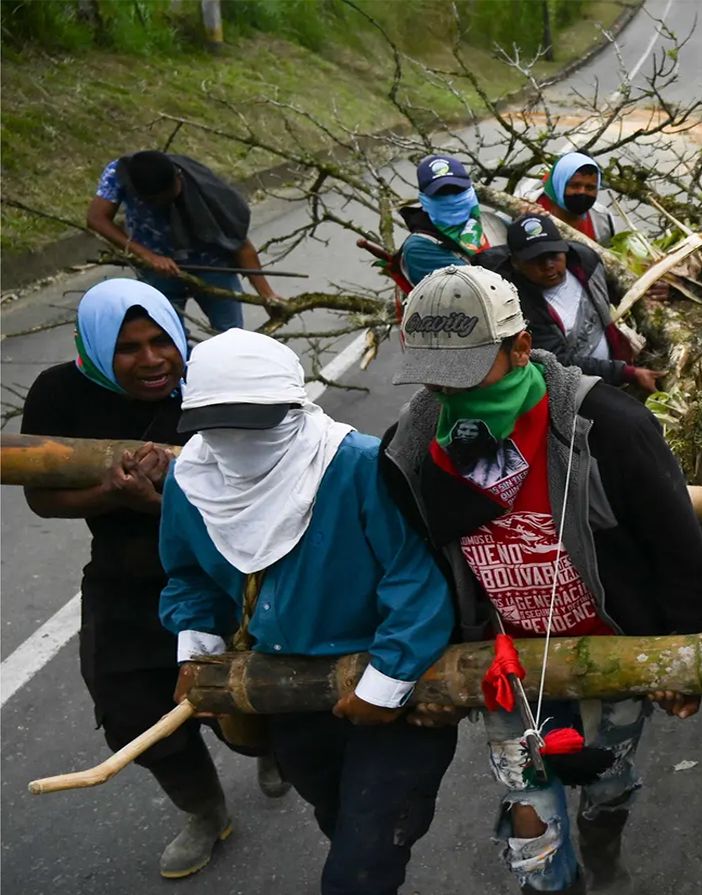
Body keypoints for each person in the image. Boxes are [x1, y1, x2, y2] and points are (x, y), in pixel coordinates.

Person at [383, 265, 702, 893]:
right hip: (505, 662)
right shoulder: (414, 441)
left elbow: (674, 543)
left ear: (519, 348)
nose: (445, 391)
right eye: (434, 374)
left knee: (605, 777)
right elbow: (418, 559)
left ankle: (603, 835)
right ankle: (553, 880)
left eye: (463, 372)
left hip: (611, 644)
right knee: (530, 814)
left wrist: (683, 648)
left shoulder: (607, 428)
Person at [158, 329, 457, 895]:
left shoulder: (358, 466)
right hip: (286, 694)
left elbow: (414, 581)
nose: (236, 439)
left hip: (387, 691)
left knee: (361, 866)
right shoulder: (192, 481)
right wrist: (198, 655)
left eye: (254, 421)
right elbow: (188, 575)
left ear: (295, 407)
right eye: (218, 425)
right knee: (335, 816)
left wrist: (385, 686)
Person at [20, 280, 283, 879]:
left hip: (226, 569)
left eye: (161, 341)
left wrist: (157, 503)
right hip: (126, 577)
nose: (151, 360)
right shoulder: (61, 392)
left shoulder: (215, 384)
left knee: (257, 688)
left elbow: (258, 496)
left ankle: (272, 750)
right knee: (128, 705)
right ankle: (203, 810)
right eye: (128, 347)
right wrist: (108, 491)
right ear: (94, 349)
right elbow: (42, 495)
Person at [86, 150, 278, 332]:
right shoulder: (119, 173)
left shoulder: (205, 187)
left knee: (230, 335)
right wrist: (147, 256)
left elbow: (241, 244)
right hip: (157, 270)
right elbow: (97, 218)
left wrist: (267, 295)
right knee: (166, 337)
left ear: (178, 176)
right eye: (157, 202)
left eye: (172, 195)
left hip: (213, 266)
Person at [479, 212, 657, 393]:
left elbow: (620, 294)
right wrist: (625, 373)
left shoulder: (584, 260)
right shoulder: (518, 306)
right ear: (515, 263)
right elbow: (557, 361)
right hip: (577, 389)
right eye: (536, 260)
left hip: (618, 365)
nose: (548, 265)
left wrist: (653, 287)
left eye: (554, 255)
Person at [398, 154, 510, 287]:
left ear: (471, 189)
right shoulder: (419, 248)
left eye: (457, 190)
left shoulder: (491, 222)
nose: (451, 199)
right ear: (423, 199)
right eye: (441, 194)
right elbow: (472, 290)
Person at [533, 152, 617, 247]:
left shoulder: (602, 219)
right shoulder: (528, 211)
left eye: (590, 187)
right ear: (559, 185)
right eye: (575, 185)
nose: (582, 192)